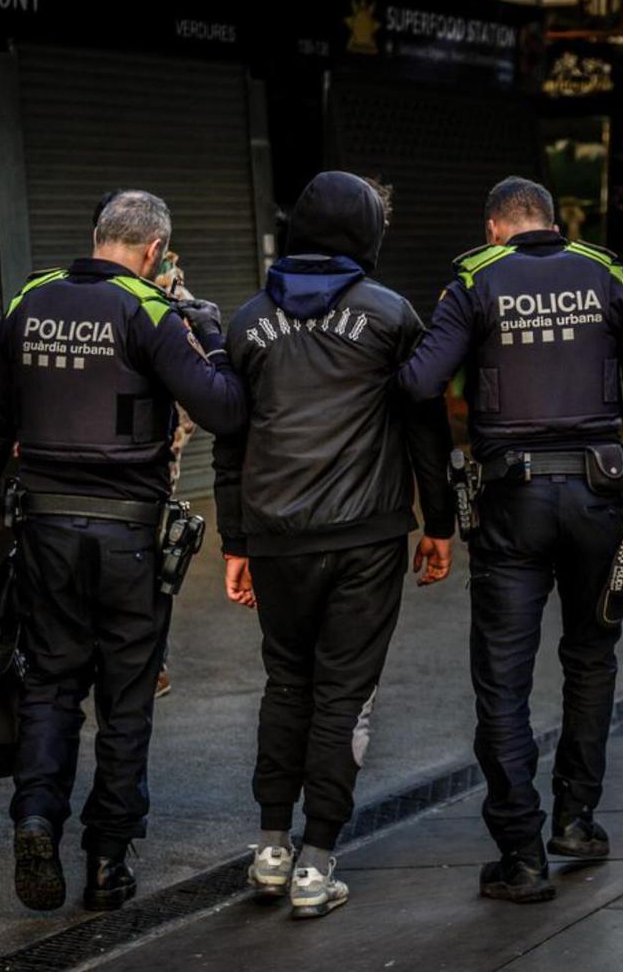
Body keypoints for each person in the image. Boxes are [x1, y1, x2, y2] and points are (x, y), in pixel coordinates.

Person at [397, 176, 623, 904]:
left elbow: (418, 384)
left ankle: (521, 853)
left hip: (511, 505)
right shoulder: (607, 273)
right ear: (552, 223)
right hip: (602, 500)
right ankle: (578, 820)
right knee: (591, 659)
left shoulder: (474, 278)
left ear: (495, 226)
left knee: (503, 678)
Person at [0, 190, 245, 913]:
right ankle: (107, 861)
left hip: (44, 532)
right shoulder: (147, 310)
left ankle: (34, 819)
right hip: (127, 538)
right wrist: (206, 332)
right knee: (125, 700)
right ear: (155, 252)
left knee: (50, 684)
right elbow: (222, 407)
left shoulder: (29, 299)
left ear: (98, 238)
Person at [214, 171, 455, 920]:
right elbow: (427, 427)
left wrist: (235, 539)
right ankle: (318, 860)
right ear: (364, 234)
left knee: (286, 682)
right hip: (365, 538)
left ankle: (270, 847)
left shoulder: (250, 322)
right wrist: (441, 524)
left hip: (277, 537)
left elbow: (231, 439)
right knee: (343, 693)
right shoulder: (390, 315)